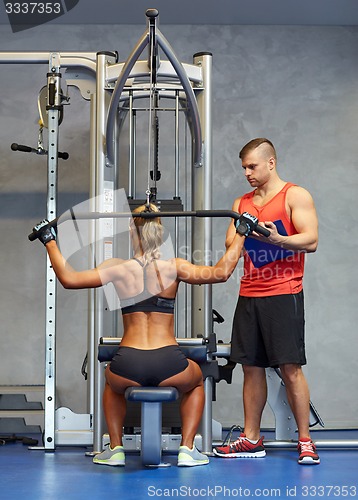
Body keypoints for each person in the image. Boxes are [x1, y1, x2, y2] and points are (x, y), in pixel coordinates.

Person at [33, 203, 258, 467]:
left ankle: (115, 448)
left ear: (132, 231)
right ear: (160, 233)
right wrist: (241, 232)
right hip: (169, 362)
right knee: (197, 380)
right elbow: (220, 273)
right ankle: (187, 449)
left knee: (111, 383)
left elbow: (69, 279)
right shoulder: (175, 267)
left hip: (128, 362)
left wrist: (49, 241)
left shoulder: (117, 267)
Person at [213, 138, 320, 465]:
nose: (247, 173)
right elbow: (232, 242)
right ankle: (251, 438)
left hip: (284, 292)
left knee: (290, 369)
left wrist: (276, 237)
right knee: (251, 368)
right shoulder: (241, 202)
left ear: (271, 163)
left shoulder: (294, 195)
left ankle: (305, 441)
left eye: (252, 166)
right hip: (249, 294)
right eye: (244, 167)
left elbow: (311, 239)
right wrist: (249, 229)